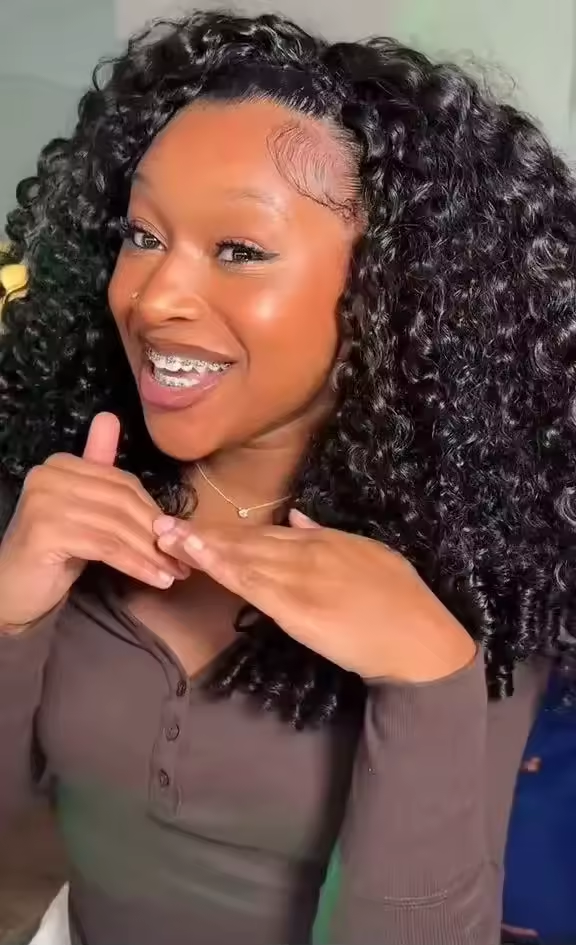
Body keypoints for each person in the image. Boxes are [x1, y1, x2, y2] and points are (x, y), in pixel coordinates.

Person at [0, 9, 572, 944]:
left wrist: (429, 676)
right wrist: (9, 614)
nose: (154, 298)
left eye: (239, 250)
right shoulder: (65, 482)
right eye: (143, 236)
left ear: (389, 287)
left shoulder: (475, 561)